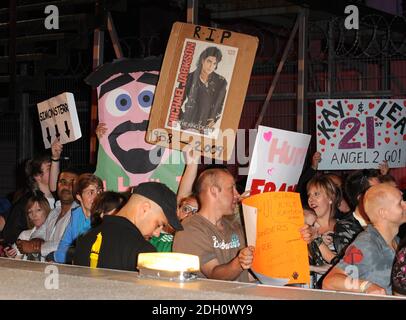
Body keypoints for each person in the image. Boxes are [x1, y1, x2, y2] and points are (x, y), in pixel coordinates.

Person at [73, 182, 182, 271]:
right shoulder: (142, 252)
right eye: (159, 224)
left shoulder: (85, 239)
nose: (157, 233)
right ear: (145, 209)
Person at [173, 168, 254, 282]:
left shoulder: (232, 226)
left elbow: (246, 277)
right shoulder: (190, 228)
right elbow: (213, 274)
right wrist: (240, 262)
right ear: (214, 191)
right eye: (232, 189)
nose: (237, 195)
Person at [322, 184, 406, 295]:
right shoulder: (367, 243)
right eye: (400, 203)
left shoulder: (396, 241)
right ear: (383, 213)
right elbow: (330, 281)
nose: (405, 204)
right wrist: (366, 286)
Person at [14, 168, 80, 261]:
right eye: (63, 181)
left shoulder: (81, 214)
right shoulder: (54, 212)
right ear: (57, 185)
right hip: (48, 270)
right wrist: (36, 240)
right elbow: (39, 232)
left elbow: (71, 245)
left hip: (67, 271)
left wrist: (38, 247)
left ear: (79, 189)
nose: (66, 186)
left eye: (72, 183)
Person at [54, 173, 103, 263]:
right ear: (79, 196)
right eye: (91, 192)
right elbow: (62, 249)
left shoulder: (104, 218)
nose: (97, 197)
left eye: (99, 192)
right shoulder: (76, 215)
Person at [179, 46, 227, 135]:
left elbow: (221, 104)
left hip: (207, 125)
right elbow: (178, 101)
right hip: (188, 123)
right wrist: (182, 118)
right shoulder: (189, 78)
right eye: (209, 61)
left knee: (202, 145)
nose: (211, 66)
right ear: (202, 60)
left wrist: (214, 119)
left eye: (214, 63)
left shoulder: (221, 82)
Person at [4, 195, 50, 261]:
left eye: (38, 210)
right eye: (30, 211)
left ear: (46, 211)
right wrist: (10, 256)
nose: (34, 215)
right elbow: (17, 260)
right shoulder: (25, 234)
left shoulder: (54, 233)